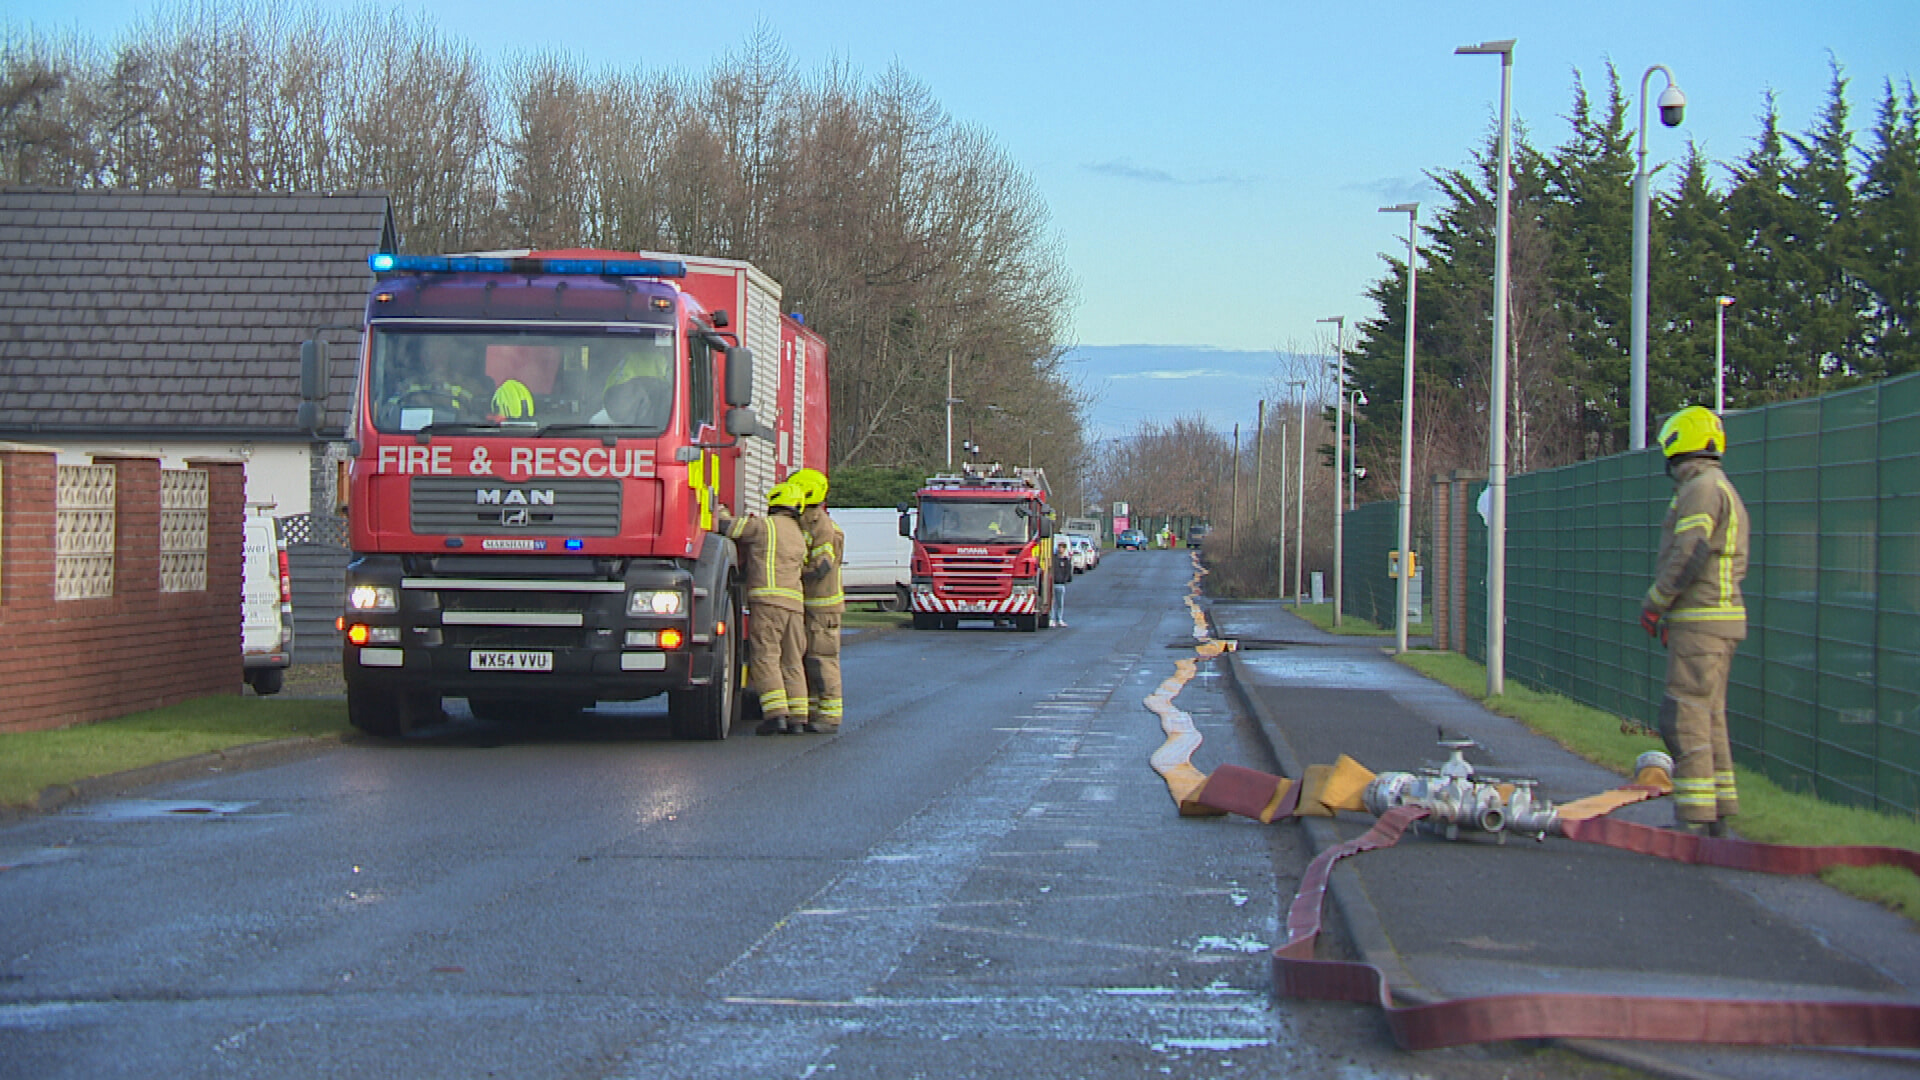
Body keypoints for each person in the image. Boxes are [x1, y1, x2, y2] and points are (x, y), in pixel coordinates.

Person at [1640, 405, 1749, 837]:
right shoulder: (1719, 485)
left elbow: (1690, 552)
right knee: (1709, 716)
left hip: (1701, 620)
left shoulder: (1701, 489)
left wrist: (1657, 602)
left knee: (1683, 715)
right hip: (1716, 620)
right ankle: (1719, 812)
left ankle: (1694, 819)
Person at [716, 483, 811, 735]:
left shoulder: (765, 526)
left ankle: (776, 715)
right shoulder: (799, 536)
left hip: (768, 602)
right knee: (792, 660)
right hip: (795, 606)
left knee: (766, 656)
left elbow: (729, 528)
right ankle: (798, 716)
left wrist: (720, 511)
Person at [790, 467, 843, 733]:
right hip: (810, 604)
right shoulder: (808, 520)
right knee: (808, 658)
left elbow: (822, 565)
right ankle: (812, 710)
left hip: (823, 606)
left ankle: (829, 715)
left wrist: (794, 572)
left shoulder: (821, 525)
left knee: (823, 658)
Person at [1050, 531, 1073, 627]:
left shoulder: (1066, 560)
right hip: (1053, 583)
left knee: (1060, 603)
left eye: (1062, 548)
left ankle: (1059, 619)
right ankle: (1051, 619)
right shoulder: (1053, 559)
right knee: (1052, 602)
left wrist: (1065, 579)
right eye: (1059, 547)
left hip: (1061, 584)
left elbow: (1068, 572)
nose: (1060, 549)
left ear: (1064, 549)